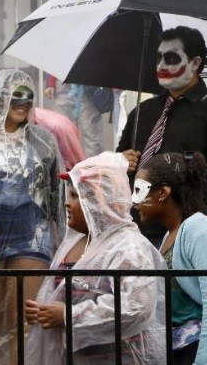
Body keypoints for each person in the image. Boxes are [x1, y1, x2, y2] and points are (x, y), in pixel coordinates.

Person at [0, 69, 64, 365]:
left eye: (29, 97)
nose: (22, 103)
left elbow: (57, 190)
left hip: (33, 236)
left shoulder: (44, 141)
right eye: (15, 95)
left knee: (27, 316)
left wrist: (64, 236)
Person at [25, 152, 166, 364]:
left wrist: (68, 316)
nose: (66, 203)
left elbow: (137, 306)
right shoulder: (74, 243)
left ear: (98, 201)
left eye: (75, 196)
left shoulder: (129, 247)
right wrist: (43, 312)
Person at [117, 26, 207, 244]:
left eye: (171, 58)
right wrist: (120, 161)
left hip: (187, 236)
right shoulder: (142, 112)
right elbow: (119, 164)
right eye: (158, 58)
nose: (161, 66)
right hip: (134, 230)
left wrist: (195, 235)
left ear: (195, 63)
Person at [133, 151, 207, 365]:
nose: (133, 201)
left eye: (138, 190)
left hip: (203, 353)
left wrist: (206, 361)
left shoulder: (199, 230)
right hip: (181, 352)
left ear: (163, 192)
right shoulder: (168, 236)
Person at [44, 0, 106, 158]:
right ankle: (66, 176)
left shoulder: (97, 12)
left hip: (90, 82)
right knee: (63, 132)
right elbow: (54, 49)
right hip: (65, 80)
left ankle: (94, 177)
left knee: (92, 135)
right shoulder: (59, 13)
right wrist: (51, 81)